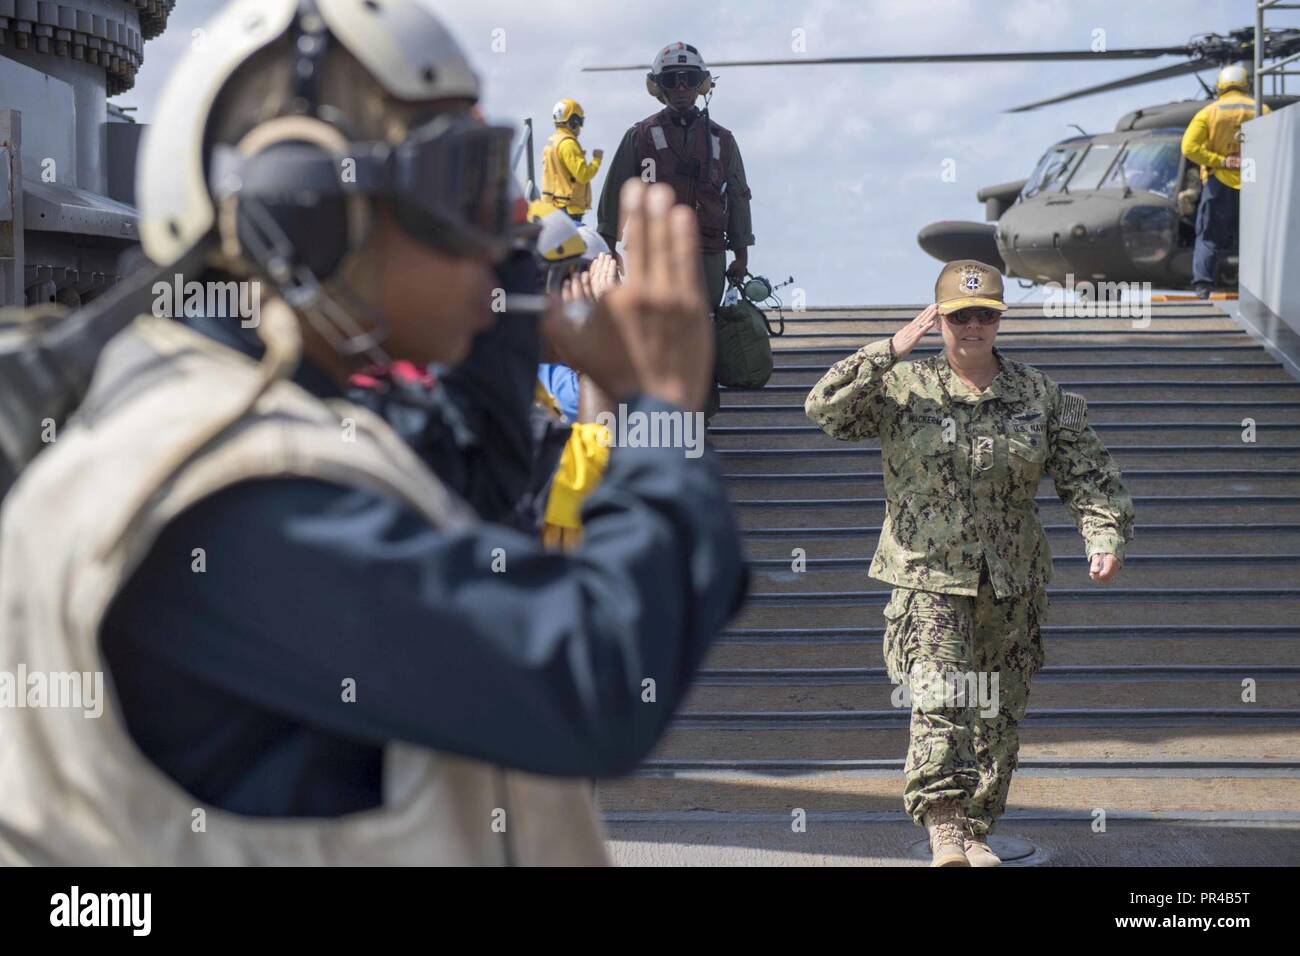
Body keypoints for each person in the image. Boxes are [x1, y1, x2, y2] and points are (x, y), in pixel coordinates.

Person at [0, 0, 746, 866]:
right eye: (461, 187)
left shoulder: (249, 412)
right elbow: (593, 677)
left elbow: (471, 463)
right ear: (309, 208)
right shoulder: (230, 487)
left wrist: (550, 328)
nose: (498, 232)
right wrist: (662, 404)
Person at [805, 259, 1135, 867]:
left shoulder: (1040, 395)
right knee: (939, 697)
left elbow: (1089, 476)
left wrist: (1102, 536)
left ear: (1000, 320)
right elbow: (824, 407)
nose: (974, 326)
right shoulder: (904, 389)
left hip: (1010, 582)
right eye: (960, 315)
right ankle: (944, 827)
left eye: (985, 315)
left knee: (997, 711)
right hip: (926, 575)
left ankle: (976, 827)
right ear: (939, 319)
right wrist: (888, 349)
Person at [596, 42, 754, 317]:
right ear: (659, 86)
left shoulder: (722, 141)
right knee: (653, 323)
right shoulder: (640, 136)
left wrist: (741, 253)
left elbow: (738, 196)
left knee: (706, 327)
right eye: (672, 80)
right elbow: (615, 194)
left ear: (701, 84)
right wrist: (608, 246)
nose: (681, 88)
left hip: (707, 252)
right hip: (652, 251)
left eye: (689, 79)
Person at [1180, 64, 1269, 298]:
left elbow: (1189, 147)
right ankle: (1258, 287)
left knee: (1209, 236)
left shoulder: (1209, 112)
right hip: (1254, 182)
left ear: (1219, 87)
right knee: (1254, 236)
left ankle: (1203, 286)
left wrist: (1220, 160)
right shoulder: (1262, 109)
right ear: (1246, 85)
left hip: (1219, 182)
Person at [541, 98, 603, 222]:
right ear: (573, 121)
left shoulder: (553, 142)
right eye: (580, 122)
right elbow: (583, 175)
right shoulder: (568, 144)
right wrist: (597, 160)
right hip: (569, 210)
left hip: (554, 207)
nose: (580, 127)